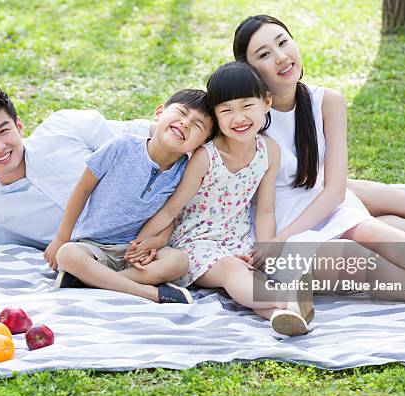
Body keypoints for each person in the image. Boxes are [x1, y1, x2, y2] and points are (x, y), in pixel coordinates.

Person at [232, 15, 405, 314]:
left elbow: (335, 191)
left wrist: (282, 240)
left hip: (324, 208)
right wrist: (277, 242)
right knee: (388, 272)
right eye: (264, 54)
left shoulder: (326, 102)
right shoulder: (245, 117)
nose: (281, 57)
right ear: (249, 70)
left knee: (374, 232)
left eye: (283, 42)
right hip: (278, 230)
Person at [0, 83, 204, 259]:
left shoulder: (66, 128)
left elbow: (149, 135)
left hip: (194, 206)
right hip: (137, 254)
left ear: (19, 126)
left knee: (253, 241)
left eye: (4, 130)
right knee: (242, 282)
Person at [127, 62, 311, 336]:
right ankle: (289, 299)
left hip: (237, 238)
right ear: (216, 116)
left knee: (250, 275)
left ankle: (281, 316)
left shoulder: (269, 151)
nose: (238, 119)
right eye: (226, 111)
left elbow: (265, 210)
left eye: (247, 106)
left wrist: (265, 246)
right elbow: (171, 209)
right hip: (196, 243)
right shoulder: (206, 157)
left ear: (266, 102)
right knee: (230, 270)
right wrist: (144, 242)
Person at [44, 89, 215, 304]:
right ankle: (148, 293)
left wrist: (156, 243)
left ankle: (89, 281)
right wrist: (61, 238)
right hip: (93, 247)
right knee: (67, 255)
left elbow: (170, 213)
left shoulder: (185, 172)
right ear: (159, 112)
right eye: (181, 112)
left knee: (179, 262)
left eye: (198, 125)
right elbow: (82, 190)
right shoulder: (121, 146)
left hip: (133, 254)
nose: (186, 123)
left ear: (201, 144)